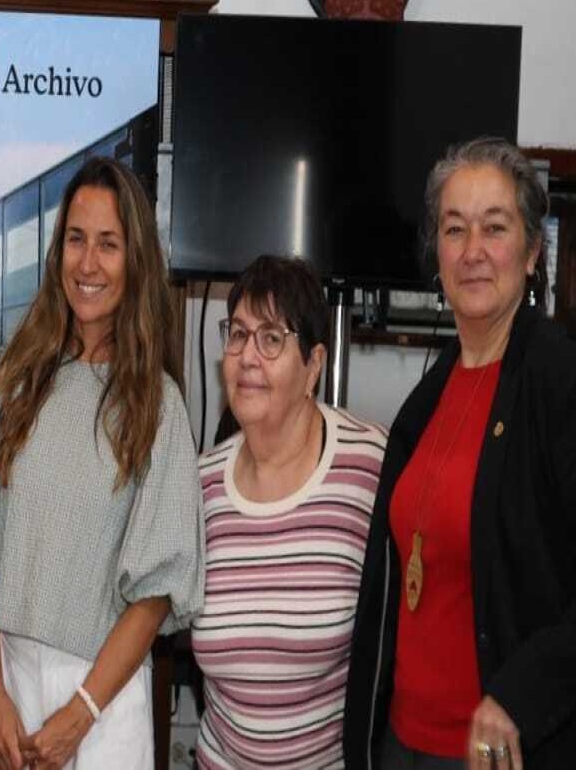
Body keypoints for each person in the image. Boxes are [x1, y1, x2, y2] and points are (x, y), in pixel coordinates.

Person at [0, 156, 203, 770]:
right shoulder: (14, 384)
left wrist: (80, 714)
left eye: (109, 245)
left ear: (135, 261)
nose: (87, 264)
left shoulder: (157, 406)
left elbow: (155, 595)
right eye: (75, 240)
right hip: (9, 692)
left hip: (104, 709)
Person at [345, 138, 576, 769]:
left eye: (494, 228)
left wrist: (519, 697)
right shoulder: (428, 397)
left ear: (532, 252)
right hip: (402, 743)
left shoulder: (557, 379)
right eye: (455, 229)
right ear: (437, 255)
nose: (473, 251)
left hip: (499, 751)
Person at [192, 255, 387, 768]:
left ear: (314, 366)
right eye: (237, 334)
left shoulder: (370, 467)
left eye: (272, 338)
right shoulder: (200, 484)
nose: (247, 356)